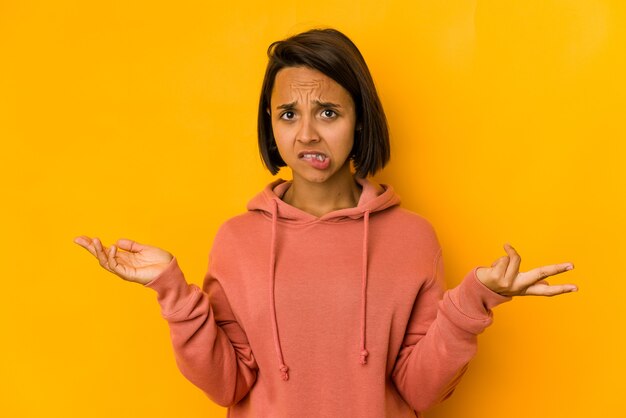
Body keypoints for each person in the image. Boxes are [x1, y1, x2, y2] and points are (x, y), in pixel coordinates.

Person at [74, 28, 577, 418]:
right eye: (288, 114)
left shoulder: (413, 238)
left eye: (329, 112)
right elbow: (228, 384)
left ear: (360, 120)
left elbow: (420, 391)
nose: (307, 134)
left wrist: (474, 302)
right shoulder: (238, 240)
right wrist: (172, 292)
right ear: (269, 124)